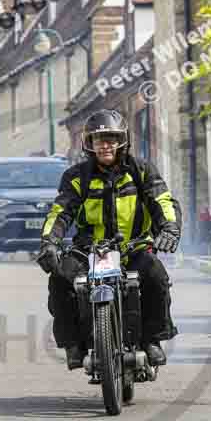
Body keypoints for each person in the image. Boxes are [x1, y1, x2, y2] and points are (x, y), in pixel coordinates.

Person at [37, 109, 181, 371]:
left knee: (157, 276)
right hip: (89, 250)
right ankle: (74, 344)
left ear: (122, 141)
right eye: (98, 140)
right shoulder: (76, 177)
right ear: (88, 144)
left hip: (133, 247)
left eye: (111, 139)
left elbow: (162, 201)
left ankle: (152, 340)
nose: (105, 145)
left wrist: (169, 230)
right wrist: (49, 243)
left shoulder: (141, 171)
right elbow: (60, 212)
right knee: (59, 278)